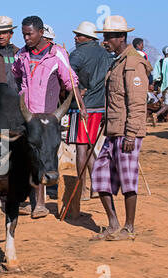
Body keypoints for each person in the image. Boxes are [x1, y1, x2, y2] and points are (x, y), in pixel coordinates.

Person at [12, 15, 86, 218]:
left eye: (30, 34)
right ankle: (30, 199)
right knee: (28, 155)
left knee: (43, 157)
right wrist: (22, 95)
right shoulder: (22, 55)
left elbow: (71, 80)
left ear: (41, 32)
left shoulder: (57, 54)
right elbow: (16, 74)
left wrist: (80, 104)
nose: (26, 38)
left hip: (48, 117)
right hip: (28, 115)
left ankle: (40, 204)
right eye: (24, 34)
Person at [90, 16, 152, 241]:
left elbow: (137, 102)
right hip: (113, 130)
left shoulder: (133, 63)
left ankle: (129, 227)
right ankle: (113, 223)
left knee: (127, 179)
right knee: (100, 174)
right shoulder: (117, 61)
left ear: (120, 38)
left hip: (127, 133)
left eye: (107, 37)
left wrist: (131, 133)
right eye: (104, 36)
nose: (104, 41)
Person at [67, 21, 113, 201]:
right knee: (89, 146)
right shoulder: (106, 54)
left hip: (82, 107)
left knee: (81, 148)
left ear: (88, 37)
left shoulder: (78, 54)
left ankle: (82, 190)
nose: (75, 38)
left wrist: (81, 98)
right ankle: (95, 187)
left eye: (78, 35)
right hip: (99, 107)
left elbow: (70, 81)